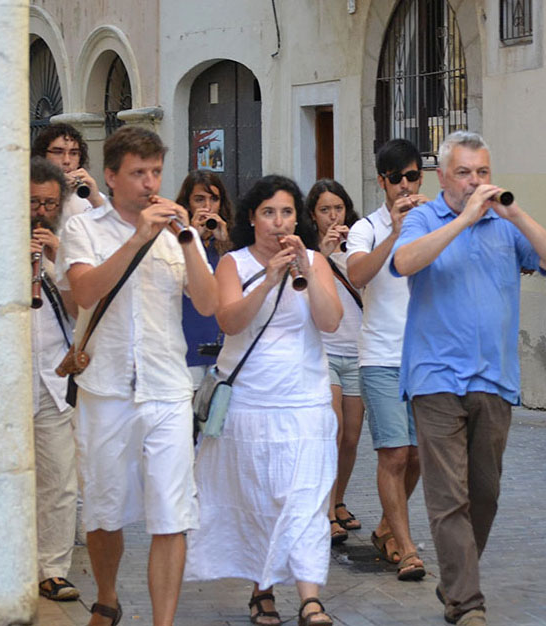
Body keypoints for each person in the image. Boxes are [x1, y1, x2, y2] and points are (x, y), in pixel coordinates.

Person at [391, 130, 546, 625]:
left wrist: (516, 215)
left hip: (493, 379)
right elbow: (404, 262)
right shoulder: (424, 217)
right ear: (443, 175)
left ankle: (454, 582)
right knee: (449, 497)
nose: (475, 182)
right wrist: (464, 220)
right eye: (465, 172)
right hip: (434, 377)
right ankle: (469, 604)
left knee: (484, 495)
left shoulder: (504, 223)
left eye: (483, 173)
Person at [56, 126, 218, 626]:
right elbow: (85, 292)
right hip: (105, 389)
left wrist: (188, 240)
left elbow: (209, 304)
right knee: (103, 511)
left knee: (172, 514)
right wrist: (138, 237)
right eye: (138, 173)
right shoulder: (85, 228)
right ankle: (107, 597)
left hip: (167, 388)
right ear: (111, 175)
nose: (150, 183)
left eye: (155, 172)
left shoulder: (176, 236)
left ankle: (162, 622)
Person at [185, 175, 341, 626]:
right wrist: (268, 280)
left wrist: (308, 274)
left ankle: (311, 597)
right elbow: (229, 321)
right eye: (269, 213)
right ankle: (263, 589)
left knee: (307, 499)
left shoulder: (314, 261)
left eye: (287, 212)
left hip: (306, 401)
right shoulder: (233, 263)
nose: (278, 222)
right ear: (252, 218)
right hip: (250, 405)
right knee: (261, 502)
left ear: (298, 219)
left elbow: (330, 322)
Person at [346, 138, 430, 581]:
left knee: (416, 456)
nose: (404, 185)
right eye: (395, 178)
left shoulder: (435, 219)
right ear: (382, 181)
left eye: (411, 176)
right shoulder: (367, 228)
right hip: (380, 355)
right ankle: (408, 546)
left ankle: (385, 528)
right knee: (394, 453)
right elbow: (357, 274)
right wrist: (396, 233)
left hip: (425, 358)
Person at [299, 178, 365, 545]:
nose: (332, 216)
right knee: (333, 430)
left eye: (338, 208)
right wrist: (321, 256)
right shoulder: (308, 254)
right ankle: (324, 509)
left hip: (357, 350)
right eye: (324, 209)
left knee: (352, 436)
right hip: (323, 350)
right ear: (313, 215)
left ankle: (339, 500)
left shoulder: (358, 246)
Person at [30, 157, 81, 602]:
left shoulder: (62, 250)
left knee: (60, 479)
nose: (40, 211)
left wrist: (54, 259)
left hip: (50, 378)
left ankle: (53, 569)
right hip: (3, 381)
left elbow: (78, 310)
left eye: (49, 203)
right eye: (33, 202)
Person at [174, 170, 234, 388]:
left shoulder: (231, 241)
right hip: (188, 345)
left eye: (214, 199)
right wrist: (192, 238)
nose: (207, 207)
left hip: (223, 346)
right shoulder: (175, 239)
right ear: (188, 203)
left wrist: (225, 244)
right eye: (200, 199)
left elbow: (236, 287)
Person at [32, 123, 107, 220]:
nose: (67, 161)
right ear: (42, 156)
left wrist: (96, 200)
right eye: (58, 152)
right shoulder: (27, 194)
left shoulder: (93, 196)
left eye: (73, 153)